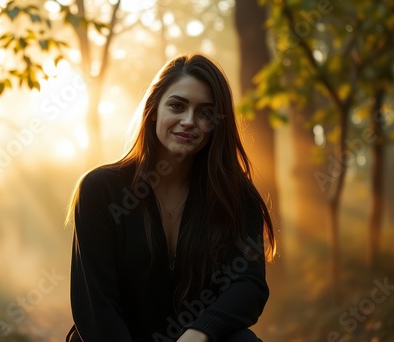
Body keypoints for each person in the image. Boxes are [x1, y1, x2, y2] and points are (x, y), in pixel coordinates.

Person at [65, 53, 276, 342]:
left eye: (205, 112)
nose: (189, 121)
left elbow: (248, 284)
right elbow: (95, 304)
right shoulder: (101, 190)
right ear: (153, 110)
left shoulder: (236, 197)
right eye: (177, 106)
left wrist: (201, 331)